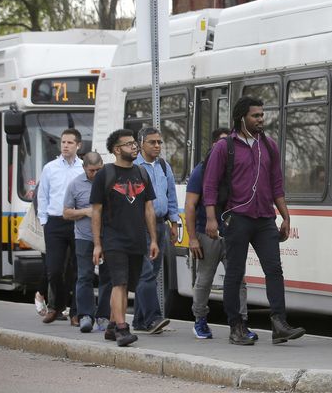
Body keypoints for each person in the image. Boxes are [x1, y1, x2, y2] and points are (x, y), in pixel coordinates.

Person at [202, 96, 305, 346]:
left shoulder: (269, 145)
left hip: (265, 219)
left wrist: (286, 217)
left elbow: (277, 185)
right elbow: (210, 185)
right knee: (235, 274)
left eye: (262, 114)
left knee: (275, 270)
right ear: (242, 118)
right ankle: (236, 326)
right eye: (255, 115)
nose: (261, 119)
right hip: (237, 218)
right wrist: (211, 219)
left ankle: (279, 323)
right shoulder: (224, 147)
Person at [91, 129, 159, 347]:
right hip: (114, 240)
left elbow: (149, 209)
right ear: (116, 150)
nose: (134, 147)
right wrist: (97, 244)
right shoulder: (106, 174)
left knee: (128, 284)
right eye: (129, 144)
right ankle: (122, 328)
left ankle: (111, 325)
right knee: (119, 283)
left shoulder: (141, 173)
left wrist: (154, 240)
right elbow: (96, 212)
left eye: (134, 143)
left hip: (137, 240)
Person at [185, 127, 253, 340]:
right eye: (223, 144)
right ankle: (200, 320)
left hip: (233, 233)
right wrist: (193, 238)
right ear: (215, 146)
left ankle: (241, 322)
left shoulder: (236, 170)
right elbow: (189, 206)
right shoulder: (201, 171)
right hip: (208, 234)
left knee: (238, 280)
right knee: (205, 277)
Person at [131, 127, 177, 334]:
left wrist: (173, 223)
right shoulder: (133, 167)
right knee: (146, 272)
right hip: (141, 226)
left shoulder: (163, 166)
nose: (157, 146)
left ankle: (139, 321)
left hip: (160, 224)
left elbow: (172, 196)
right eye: (152, 142)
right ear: (141, 144)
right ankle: (152, 318)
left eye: (159, 142)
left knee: (153, 272)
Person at [37, 128, 83, 325]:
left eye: (70, 142)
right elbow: (42, 196)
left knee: (78, 269)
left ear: (78, 145)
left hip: (77, 221)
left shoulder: (83, 168)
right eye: (63, 142)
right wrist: (45, 221)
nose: (65, 145)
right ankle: (57, 306)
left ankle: (75, 312)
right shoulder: (50, 168)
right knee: (54, 269)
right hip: (55, 223)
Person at [63, 152, 112, 333]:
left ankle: (103, 317)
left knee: (107, 277)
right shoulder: (75, 185)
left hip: (107, 237)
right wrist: (85, 212)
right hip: (84, 238)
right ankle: (85, 315)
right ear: (84, 168)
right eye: (92, 170)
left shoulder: (110, 182)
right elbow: (66, 213)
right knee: (85, 276)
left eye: (99, 169)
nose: (96, 174)